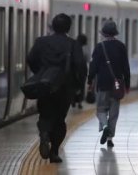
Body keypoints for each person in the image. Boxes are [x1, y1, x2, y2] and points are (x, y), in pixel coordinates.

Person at [27, 13, 87, 163]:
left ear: (53, 26)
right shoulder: (73, 44)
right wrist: (79, 86)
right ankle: (54, 152)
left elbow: (31, 59)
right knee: (60, 119)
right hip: (65, 88)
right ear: (68, 27)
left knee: (45, 114)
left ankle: (44, 133)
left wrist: (41, 74)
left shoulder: (41, 42)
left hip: (45, 85)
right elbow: (80, 66)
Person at [87, 20, 130, 148]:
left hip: (103, 84)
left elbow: (93, 66)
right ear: (115, 33)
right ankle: (110, 138)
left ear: (104, 34)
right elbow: (125, 67)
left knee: (101, 109)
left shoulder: (100, 47)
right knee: (114, 113)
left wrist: (90, 81)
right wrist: (127, 84)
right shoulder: (121, 46)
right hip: (117, 85)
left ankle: (105, 126)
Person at [71, 33, 89, 109]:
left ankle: (73, 101)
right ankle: (79, 102)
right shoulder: (85, 49)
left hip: (73, 70)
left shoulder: (73, 46)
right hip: (82, 71)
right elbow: (87, 59)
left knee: (73, 86)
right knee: (81, 87)